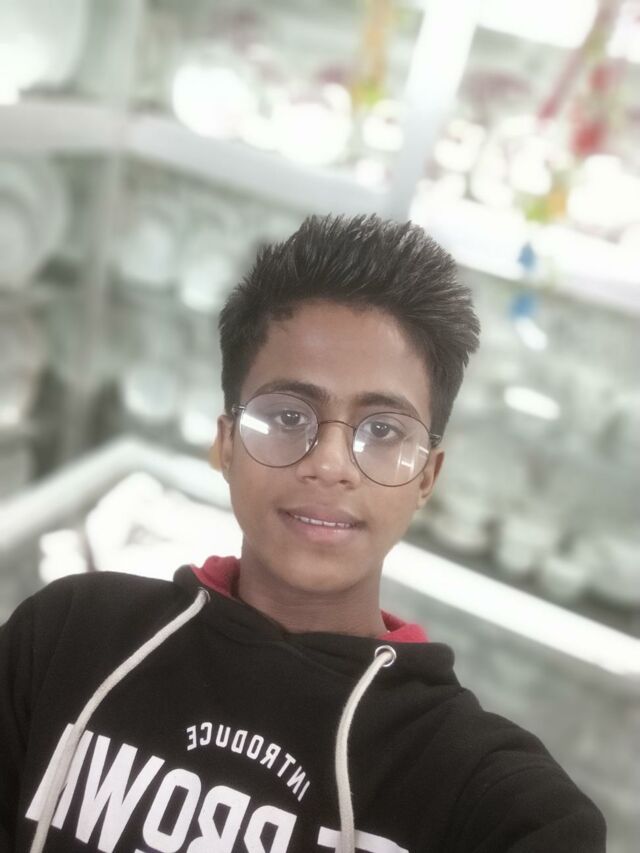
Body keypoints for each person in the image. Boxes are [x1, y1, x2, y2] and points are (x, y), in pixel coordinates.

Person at [0, 214, 605, 853]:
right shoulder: (68, 639)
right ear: (226, 443)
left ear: (427, 477)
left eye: (383, 430)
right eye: (288, 416)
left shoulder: (488, 797)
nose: (330, 464)